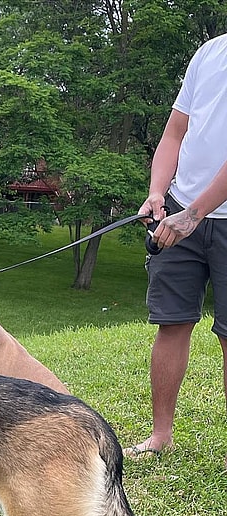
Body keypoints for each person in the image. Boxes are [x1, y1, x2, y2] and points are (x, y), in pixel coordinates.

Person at [124, 33, 227, 467]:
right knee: (171, 323)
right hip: (181, 211)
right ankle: (160, 435)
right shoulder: (209, 51)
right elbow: (174, 133)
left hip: (205, 218)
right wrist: (157, 194)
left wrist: (194, 215)